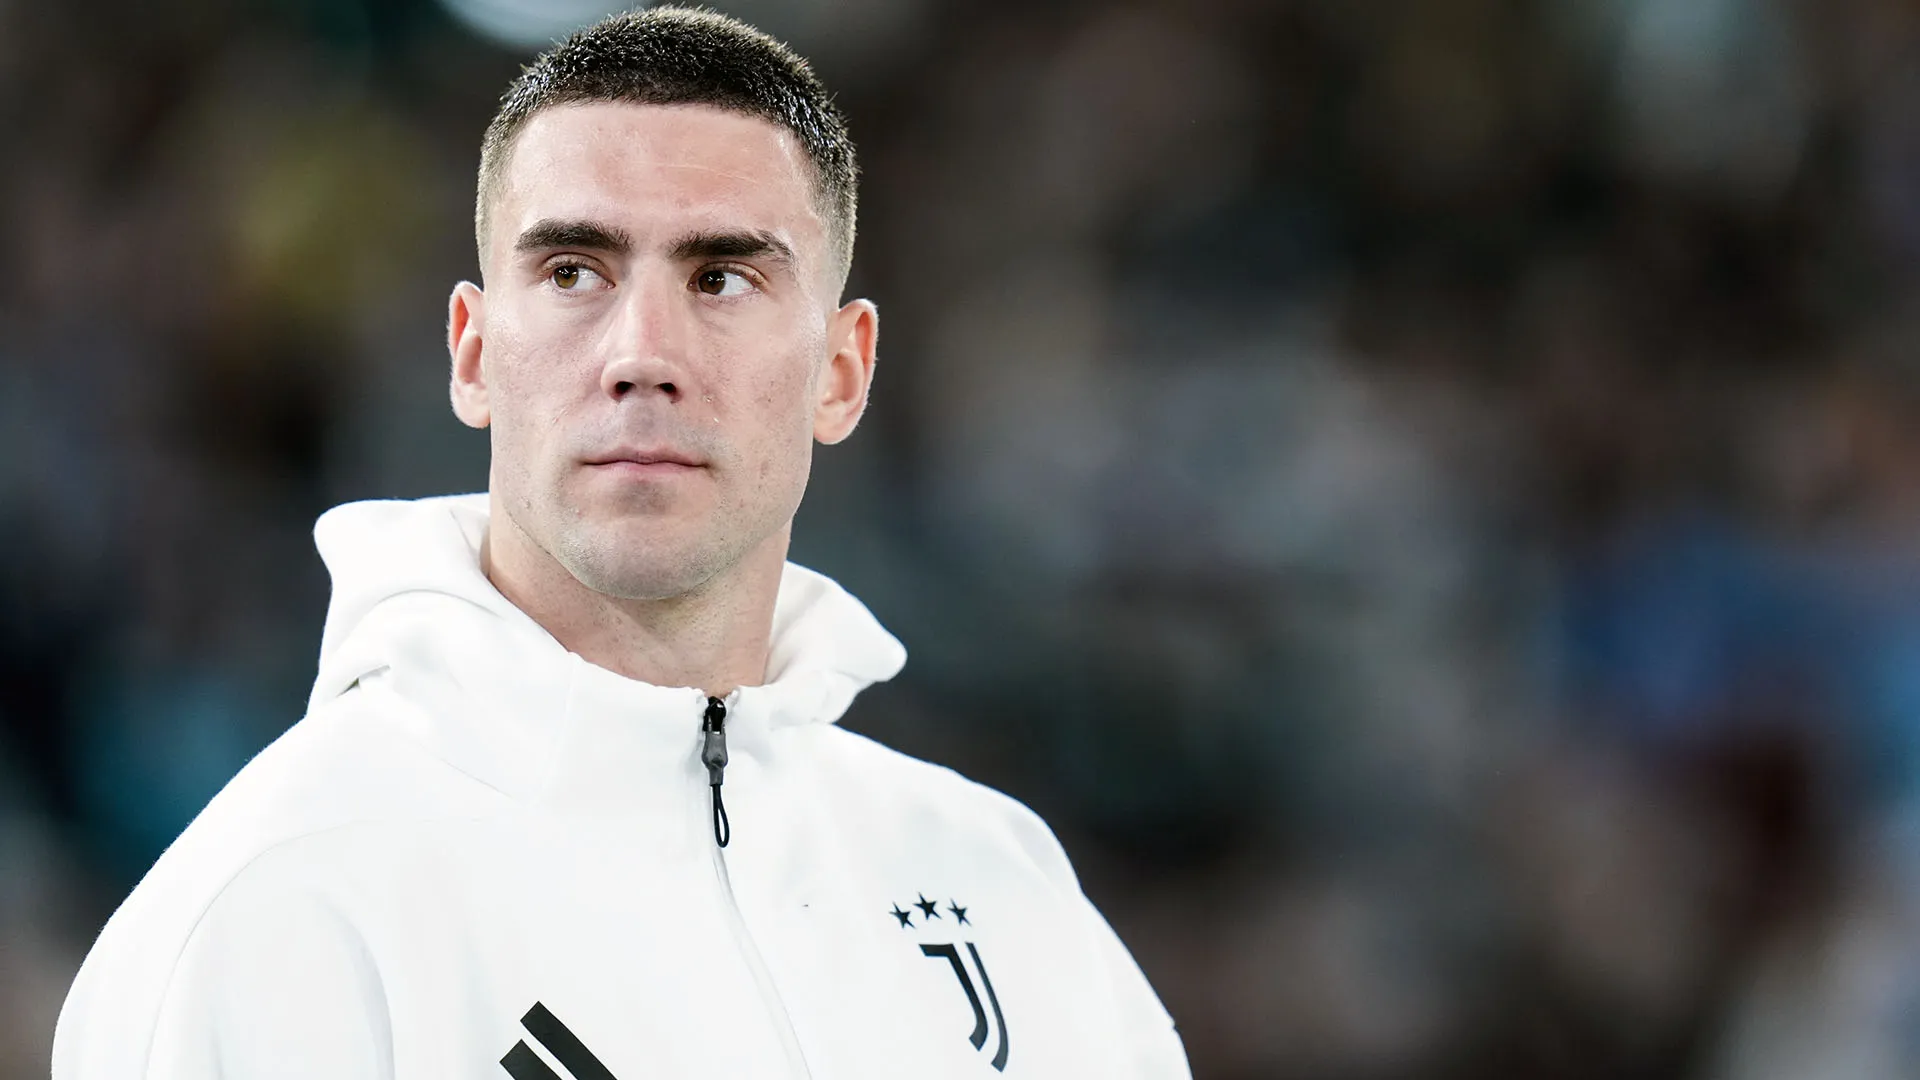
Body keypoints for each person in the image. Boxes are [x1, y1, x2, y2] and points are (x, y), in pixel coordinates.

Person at [51, 8, 1189, 1078]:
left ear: (842, 373)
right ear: (473, 354)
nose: (643, 353)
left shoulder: (1003, 891)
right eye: (574, 272)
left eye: (722, 277)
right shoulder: (277, 909)